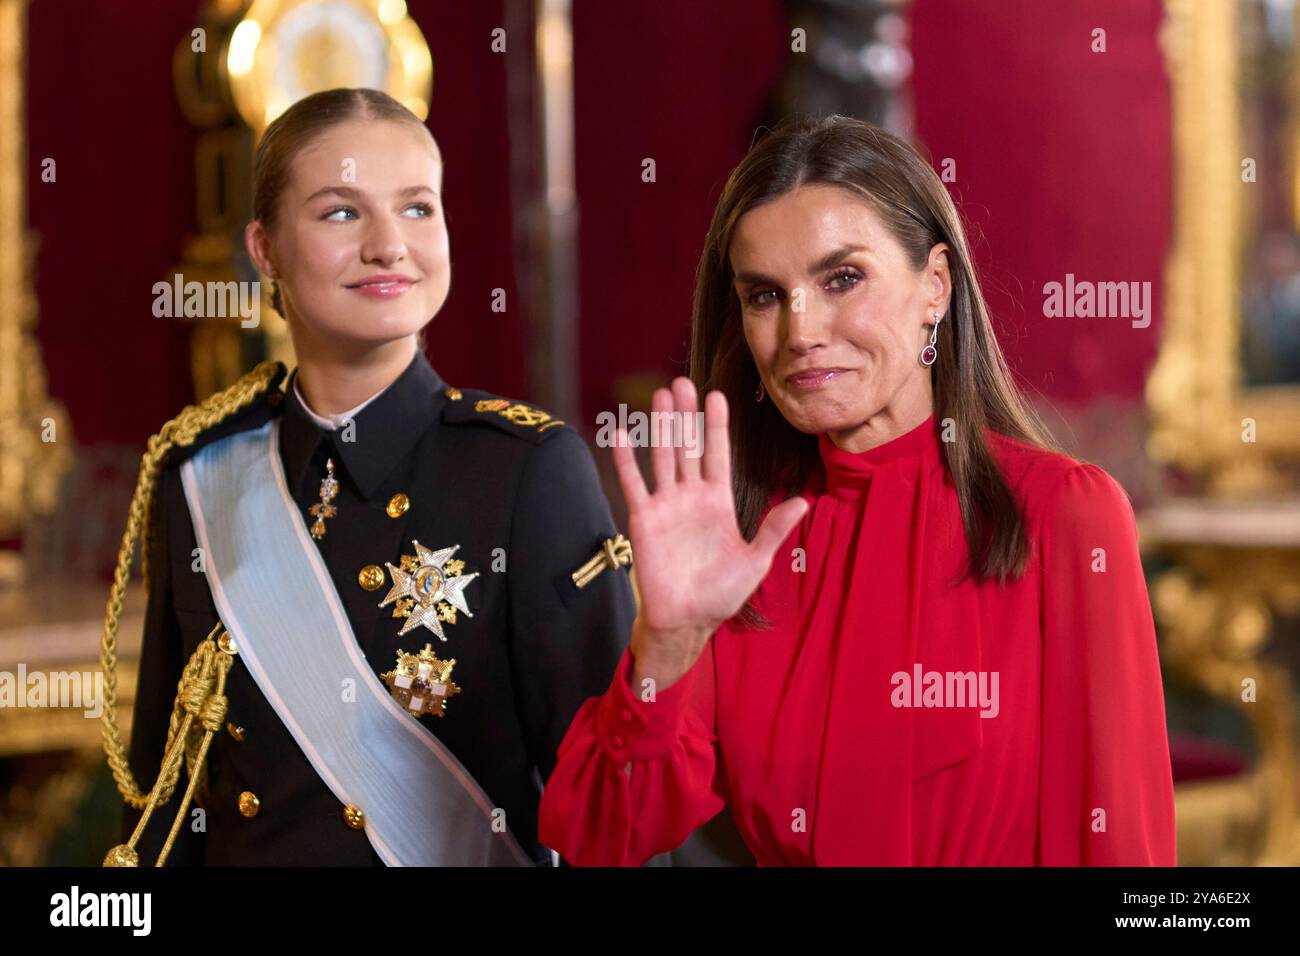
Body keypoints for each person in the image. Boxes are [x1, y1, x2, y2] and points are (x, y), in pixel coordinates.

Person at [537, 115, 1177, 866]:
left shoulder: (1064, 513)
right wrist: (665, 650)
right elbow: (600, 836)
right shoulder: (745, 545)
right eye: (766, 296)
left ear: (934, 286)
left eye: (842, 278)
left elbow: (1124, 853)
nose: (801, 330)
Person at [100, 88, 635, 866]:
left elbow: (613, 807)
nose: (390, 245)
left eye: (418, 208)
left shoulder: (525, 471)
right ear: (265, 249)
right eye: (341, 213)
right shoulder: (201, 472)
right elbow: (162, 805)